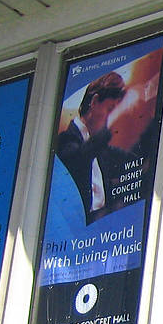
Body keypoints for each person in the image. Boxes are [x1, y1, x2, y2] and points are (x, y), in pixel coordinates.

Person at [55, 71, 126, 224]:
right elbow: (78, 159)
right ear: (94, 102)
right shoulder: (66, 140)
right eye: (109, 109)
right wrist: (105, 133)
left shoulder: (101, 150)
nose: (109, 118)